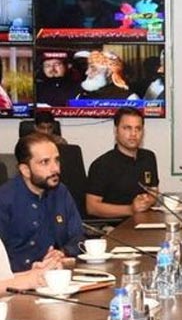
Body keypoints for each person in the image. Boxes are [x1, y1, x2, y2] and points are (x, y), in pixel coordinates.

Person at [0, 133, 83, 273]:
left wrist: (62, 252)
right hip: (15, 283)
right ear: (25, 170)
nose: (55, 168)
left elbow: (79, 237)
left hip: (55, 275)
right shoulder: (4, 199)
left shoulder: (61, 192)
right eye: (45, 162)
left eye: (56, 160)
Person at [86, 107, 159, 218]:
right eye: (127, 128)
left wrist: (147, 201)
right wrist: (130, 209)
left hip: (145, 222)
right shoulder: (102, 165)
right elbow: (92, 207)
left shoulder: (149, 157)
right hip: (114, 226)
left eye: (138, 129)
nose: (133, 134)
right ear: (116, 131)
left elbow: (154, 192)